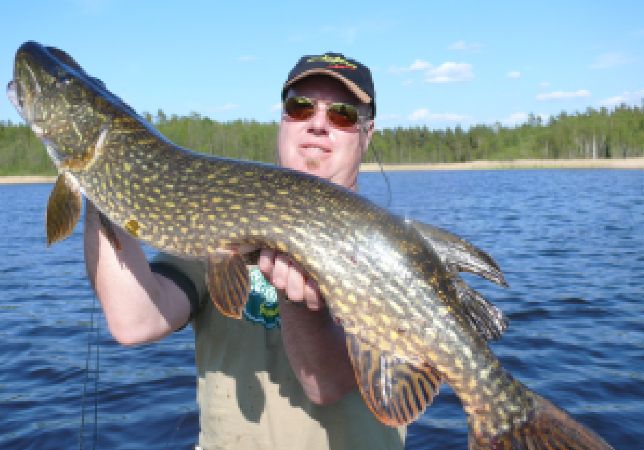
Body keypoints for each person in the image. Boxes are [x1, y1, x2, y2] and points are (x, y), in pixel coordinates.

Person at [84, 52, 406, 450]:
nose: (318, 125)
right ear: (283, 121)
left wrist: (302, 307)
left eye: (341, 114)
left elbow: (327, 385)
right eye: (300, 107)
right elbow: (134, 322)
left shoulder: (393, 261)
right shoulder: (210, 227)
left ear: (366, 133)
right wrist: (98, 172)